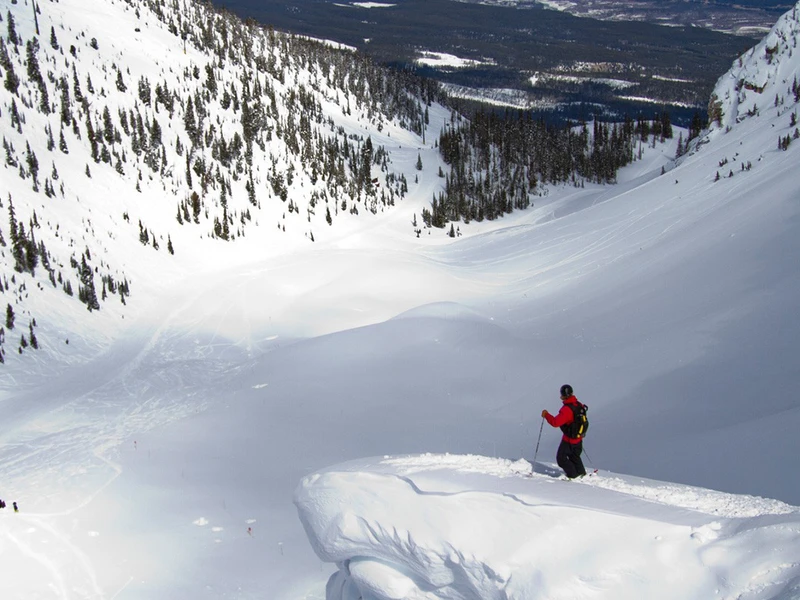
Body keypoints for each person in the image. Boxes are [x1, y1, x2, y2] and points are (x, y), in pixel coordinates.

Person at [541, 384, 587, 479]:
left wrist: (546, 415)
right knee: (575, 456)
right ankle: (582, 473)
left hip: (569, 440)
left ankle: (573, 475)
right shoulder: (578, 405)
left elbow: (555, 422)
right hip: (579, 438)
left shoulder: (567, 409)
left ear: (563, 395)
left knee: (561, 459)